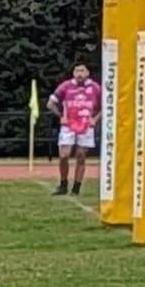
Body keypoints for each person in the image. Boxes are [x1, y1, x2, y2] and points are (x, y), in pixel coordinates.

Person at [47, 63, 103, 196]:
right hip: (68, 126)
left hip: (86, 126)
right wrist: (61, 116)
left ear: (88, 72)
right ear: (73, 73)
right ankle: (63, 184)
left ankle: (76, 188)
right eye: (77, 70)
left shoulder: (95, 87)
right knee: (64, 155)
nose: (79, 73)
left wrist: (95, 119)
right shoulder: (65, 86)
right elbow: (50, 104)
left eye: (82, 70)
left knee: (81, 156)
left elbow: (106, 105)